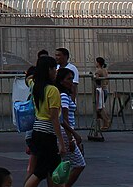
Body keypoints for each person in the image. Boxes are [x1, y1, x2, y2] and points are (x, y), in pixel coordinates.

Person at [24, 55, 66, 187]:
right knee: (41, 171)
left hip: (37, 130)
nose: (56, 72)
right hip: (48, 133)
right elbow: (54, 118)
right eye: (54, 69)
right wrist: (61, 142)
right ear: (49, 70)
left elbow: (28, 79)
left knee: (51, 169)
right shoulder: (52, 90)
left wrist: (37, 74)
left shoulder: (35, 85)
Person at [56, 67, 86, 185]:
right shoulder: (63, 95)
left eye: (72, 79)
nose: (71, 81)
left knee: (65, 163)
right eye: (69, 79)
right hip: (66, 132)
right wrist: (72, 137)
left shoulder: (65, 95)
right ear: (61, 81)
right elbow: (64, 118)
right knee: (79, 163)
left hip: (66, 131)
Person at [92, 57, 110, 138]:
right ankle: (102, 124)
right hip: (105, 89)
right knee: (101, 106)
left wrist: (93, 77)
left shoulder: (98, 71)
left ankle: (106, 122)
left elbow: (96, 78)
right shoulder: (105, 70)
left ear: (98, 63)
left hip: (100, 90)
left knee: (99, 107)